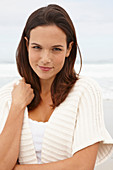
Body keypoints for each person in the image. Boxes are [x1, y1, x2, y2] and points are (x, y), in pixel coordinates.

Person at [0, 4, 113, 170]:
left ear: (69, 49)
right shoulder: (8, 94)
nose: (45, 59)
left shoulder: (85, 91)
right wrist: (17, 106)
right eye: (37, 47)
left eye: (56, 49)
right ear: (26, 45)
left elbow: (82, 166)